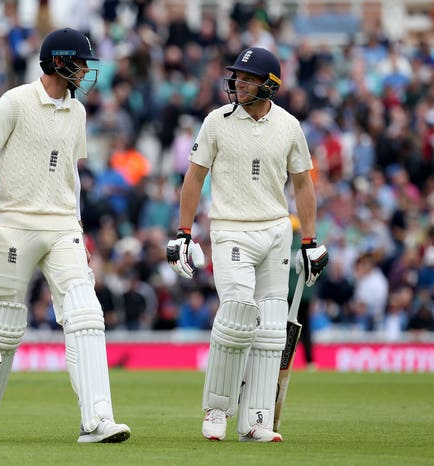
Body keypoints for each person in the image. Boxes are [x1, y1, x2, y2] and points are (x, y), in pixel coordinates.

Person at [0, 27, 130, 444]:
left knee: (86, 314)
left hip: (63, 227)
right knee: (6, 325)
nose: (87, 71)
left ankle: (98, 420)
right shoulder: (15, 101)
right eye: (81, 62)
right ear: (58, 63)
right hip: (15, 224)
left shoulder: (78, 112)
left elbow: (72, 174)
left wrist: (79, 226)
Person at [166, 47, 328, 443]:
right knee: (238, 312)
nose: (238, 82)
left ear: (269, 85)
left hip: (275, 232)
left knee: (271, 331)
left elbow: (303, 184)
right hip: (230, 229)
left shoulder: (289, 126)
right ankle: (217, 408)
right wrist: (183, 233)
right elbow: (194, 177)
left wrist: (309, 241)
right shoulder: (216, 122)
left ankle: (256, 419)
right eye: (236, 76)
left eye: (248, 77)